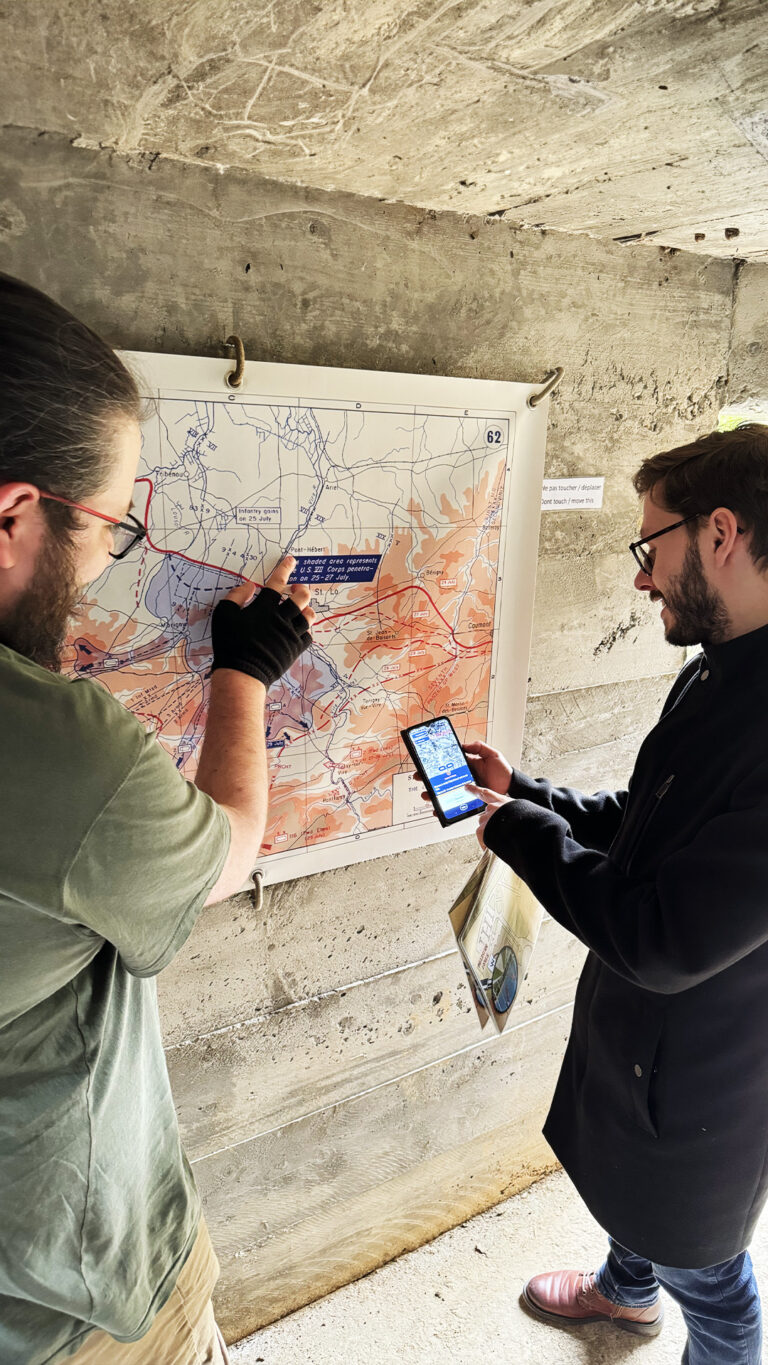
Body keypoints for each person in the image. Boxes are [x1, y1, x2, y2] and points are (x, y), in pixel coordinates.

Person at [0, 274, 315, 1365]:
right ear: (11, 514)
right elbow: (225, 848)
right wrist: (245, 676)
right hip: (70, 1303)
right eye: (109, 524)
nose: (105, 559)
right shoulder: (48, 747)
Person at [455, 423, 768, 1365]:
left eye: (650, 548)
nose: (641, 577)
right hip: (647, 1042)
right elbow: (654, 816)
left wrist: (517, 830)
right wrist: (530, 794)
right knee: (636, 1192)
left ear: (719, 533)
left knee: (706, 1269)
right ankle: (626, 1296)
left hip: (708, 1071)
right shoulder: (722, 660)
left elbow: (666, 936)